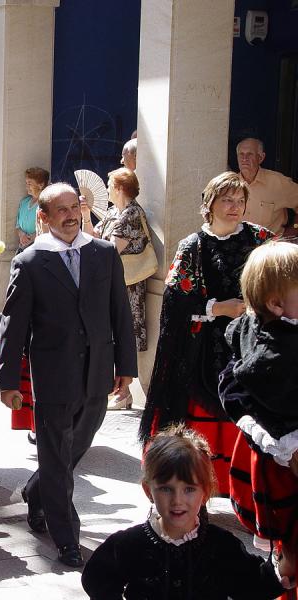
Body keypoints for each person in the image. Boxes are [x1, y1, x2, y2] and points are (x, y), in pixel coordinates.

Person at [0, 182, 137, 567]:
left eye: (74, 206)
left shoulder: (104, 254)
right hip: (53, 372)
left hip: (97, 371)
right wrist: (7, 381)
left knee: (76, 445)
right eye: (61, 209)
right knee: (56, 453)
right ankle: (66, 539)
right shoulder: (29, 261)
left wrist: (126, 367)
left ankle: (37, 490)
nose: (71, 214)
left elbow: (119, 313)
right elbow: (13, 324)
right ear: (43, 217)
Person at [139, 171, 272, 497]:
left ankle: (243, 490)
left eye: (240, 201)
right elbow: (176, 303)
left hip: (251, 346)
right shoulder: (193, 247)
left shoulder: (260, 240)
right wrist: (217, 308)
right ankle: (200, 483)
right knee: (202, 415)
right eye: (227, 199)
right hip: (203, 353)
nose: (235, 206)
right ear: (209, 204)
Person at [81, 425, 293, 599]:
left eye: (189, 489)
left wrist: (282, 568)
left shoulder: (221, 546)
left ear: (206, 491)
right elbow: (97, 578)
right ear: (148, 490)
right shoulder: (128, 544)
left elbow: (252, 585)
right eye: (166, 488)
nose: (177, 500)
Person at [220, 242, 298, 556]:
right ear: (276, 304)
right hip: (284, 455)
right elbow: (239, 380)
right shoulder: (279, 350)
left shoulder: (255, 328)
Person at [81, 167, 152, 408]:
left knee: (125, 331)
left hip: (128, 284)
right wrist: (85, 214)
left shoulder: (131, 214)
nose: (108, 189)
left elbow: (109, 250)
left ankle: (125, 391)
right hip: (112, 282)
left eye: (111, 184)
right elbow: (92, 237)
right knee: (113, 331)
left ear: (121, 188)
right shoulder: (114, 212)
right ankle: (120, 389)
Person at [236, 138, 298, 236]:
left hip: (270, 247)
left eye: (250, 154)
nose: (244, 158)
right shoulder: (231, 184)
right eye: (241, 154)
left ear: (261, 158)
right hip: (239, 248)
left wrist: (292, 231)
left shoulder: (278, 182)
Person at [15, 167, 49, 252]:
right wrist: (22, 235)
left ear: (41, 185)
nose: (26, 187)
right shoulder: (24, 202)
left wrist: (33, 237)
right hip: (22, 248)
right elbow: (18, 225)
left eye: (29, 184)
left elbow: (50, 226)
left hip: (38, 249)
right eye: (26, 183)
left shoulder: (46, 204)